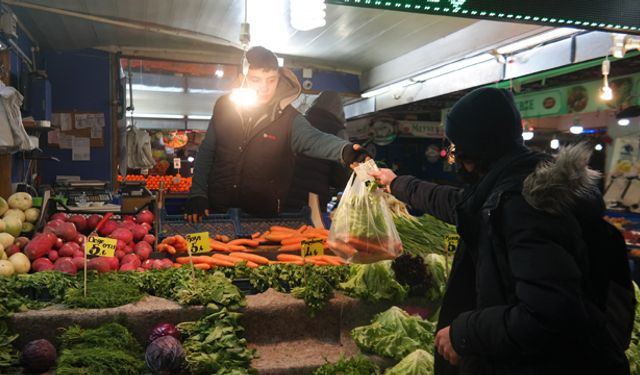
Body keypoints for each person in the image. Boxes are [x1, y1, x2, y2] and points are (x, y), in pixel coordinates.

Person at [370, 87, 634, 375]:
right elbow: (455, 204)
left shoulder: (526, 207)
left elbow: (550, 314)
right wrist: (396, 183)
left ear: (473, 151)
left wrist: (465, 333)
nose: (454, 159)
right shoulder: (510, 187)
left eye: (456, 149)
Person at [185, 47, 367, 220]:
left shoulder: (288, 118)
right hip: (219, 210)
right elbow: (207, 151)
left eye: (271, 80)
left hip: (263, 214)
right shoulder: (225, 106)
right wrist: (198, 194)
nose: (264, 88)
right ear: (242, 78)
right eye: (256, 79)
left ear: (278, 78)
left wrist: (344, 150)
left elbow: (315, 140)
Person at [284, 91, 351, 211]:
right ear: (338, 110)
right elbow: (339, 176)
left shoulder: (300, 122)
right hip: (313, 200)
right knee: (308, 229)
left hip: (286, 193)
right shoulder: (338, 131)